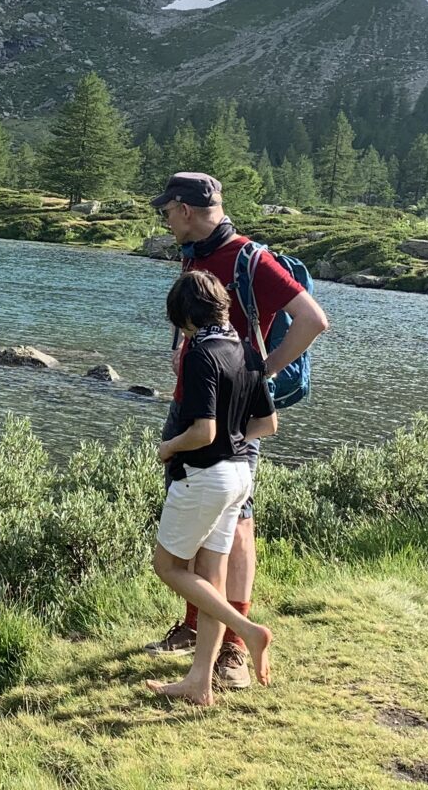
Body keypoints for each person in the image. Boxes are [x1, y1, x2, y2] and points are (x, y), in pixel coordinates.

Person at [146, 171, 330, 689]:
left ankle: (233, 649)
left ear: (184, 209)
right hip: (194, 402)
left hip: (226, 414)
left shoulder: (251, 259)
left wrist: (261, 374)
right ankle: (194, 631)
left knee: (236, 526)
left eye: (167, 212)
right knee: (205, 521)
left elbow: (313, 320)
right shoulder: (196, 255)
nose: (165, 220)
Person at [144, 270, 277, 706]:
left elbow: (202, 431)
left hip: (205, 476)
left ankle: (250, 632)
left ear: (185, 317)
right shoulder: (247, 350)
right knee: (210, 577)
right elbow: (268, 425)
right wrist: (235, 439)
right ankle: (200, 681)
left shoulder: (201, 352)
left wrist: (168, 447)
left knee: (169, 567)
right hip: (240, 474)